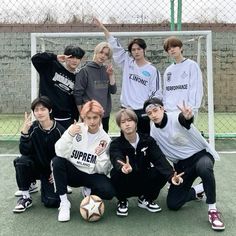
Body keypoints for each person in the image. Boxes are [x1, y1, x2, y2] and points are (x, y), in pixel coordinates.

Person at [143, 97, 225, 231]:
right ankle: (199, 190)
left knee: (204, 166)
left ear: (162, 109)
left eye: (155, 110)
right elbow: (158, 156)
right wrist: (171, 175)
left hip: (199, 156)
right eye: (150, 113)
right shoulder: (154, 131)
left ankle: (213, 211)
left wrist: (188, 117)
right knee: (173, 204)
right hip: (181, 167)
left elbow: (184, 120)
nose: (153, 115)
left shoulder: (176, 117)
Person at [109, 108, 184, 217]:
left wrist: (171, 175)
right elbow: (116, 158)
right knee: (115, 173)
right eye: (123, 122)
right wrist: (122, 167)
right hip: (126, 180)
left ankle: (146, 199)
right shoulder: (116, 144)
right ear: (120, 126)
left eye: (129, 120)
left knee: (160, 172)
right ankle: (122, 201)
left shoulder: (148, 140)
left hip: (143, 178)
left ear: (135, 122)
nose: (127, 124)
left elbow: (159, 159)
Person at [94, 17, 162, 134]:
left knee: (144, 139)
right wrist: (103, 28)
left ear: (144, 50)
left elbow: (156, 92)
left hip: (143, 110)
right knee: (125, 139)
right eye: (133, 49)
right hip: (126, 109)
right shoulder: (127, 62)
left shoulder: (152, 70)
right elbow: (114, 45)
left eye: (139, 49)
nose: (136, 51)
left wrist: (149, 108)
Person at [52, 100, 115, 222]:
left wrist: (100, 155)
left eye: (95, 117)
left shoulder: (105, 139)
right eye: (88, 118)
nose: (92, 121)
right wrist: (69, 135)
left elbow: (104, 170)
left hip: (90, 174)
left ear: (100, 117)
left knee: (109, 192)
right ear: (83, 118)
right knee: (57, 161)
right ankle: (64, 203)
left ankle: (89, 191)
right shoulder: (75, 129)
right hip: (73, 172)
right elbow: (59, 151)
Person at [13, 96, 65, 213]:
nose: (39, 112)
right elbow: (24, 151)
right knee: (21, 161)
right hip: (36, 167)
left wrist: (57, 171)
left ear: (50, 110)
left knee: (52, 202)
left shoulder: (60, 130)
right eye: (36, 110)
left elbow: (65, 154)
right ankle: (26, 196)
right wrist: (24, 132)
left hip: (50, 171)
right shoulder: (33, 128)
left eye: (43, 109)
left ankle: (54, 186)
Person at [31, 45, 85, 129]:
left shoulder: (78, 77)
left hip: (65, 118)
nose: (75, 61)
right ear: (65, 57)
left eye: (78, 58)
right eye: (72, 57)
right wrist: (55, 57)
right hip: (47, 114)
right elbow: (35, 58)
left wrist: (74, 117)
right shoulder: (51, 66)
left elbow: (75, 99)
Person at [74, 42, 117, 133]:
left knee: (103, 143)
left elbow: (113, 91)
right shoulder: (84, 71)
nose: (103, 56)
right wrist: (82, 114)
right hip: (90, 116)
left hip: (104, 114)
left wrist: (111, 75)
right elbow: (78, 94)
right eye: (101, 52)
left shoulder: (107, 70)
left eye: (106, 54)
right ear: (96, 52)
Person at [162, 36, 203, 115]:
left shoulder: (192, 65)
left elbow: (196, 88)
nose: (172, 50)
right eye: (169, 49)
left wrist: (191, 108)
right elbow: (166, 91)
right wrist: (165, 107)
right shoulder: (168, 70)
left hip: (186, 111)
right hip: (169, 111)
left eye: (174, 46)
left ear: (181, 48)